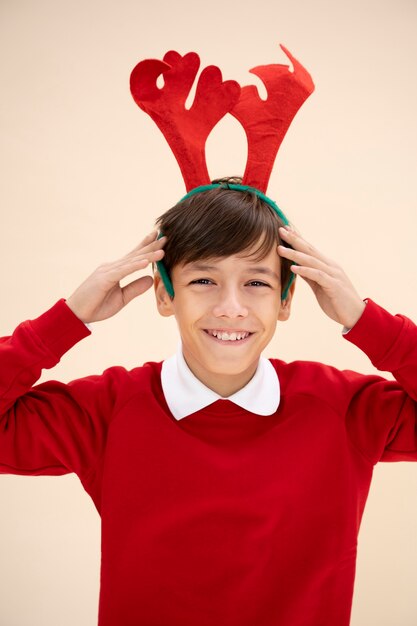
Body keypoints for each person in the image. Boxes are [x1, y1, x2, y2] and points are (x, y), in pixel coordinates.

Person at [1, 179, 416, 626]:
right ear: (165, 295)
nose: (231, 307)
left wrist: (364, 320)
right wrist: (68, 318)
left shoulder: (344, 409)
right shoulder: (106, 411)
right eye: (203, 280)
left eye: (256, 281)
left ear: (286, 299)